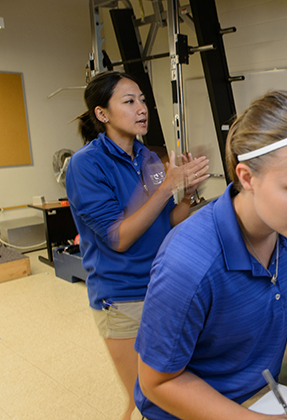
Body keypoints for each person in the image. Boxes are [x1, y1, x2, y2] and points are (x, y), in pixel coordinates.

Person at [134, 90, 287, 420]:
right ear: (247, 177)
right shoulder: (188, 264)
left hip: (259, 400)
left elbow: (279, 285)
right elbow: (157, 383)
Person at [65, 71, 210, 420]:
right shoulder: (86, 165)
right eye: (129, 101)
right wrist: (167, 186)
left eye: (142, 99)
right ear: (103, 114)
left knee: (171, 391)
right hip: (123, 296)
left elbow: (168, 223)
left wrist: (187, 193)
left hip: (162, 287)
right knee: (143, 399)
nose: (142, 108)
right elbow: (118, 237)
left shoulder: (146, 158)